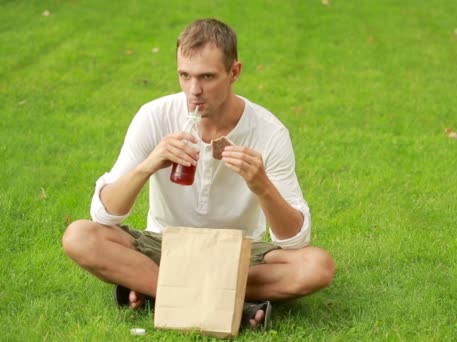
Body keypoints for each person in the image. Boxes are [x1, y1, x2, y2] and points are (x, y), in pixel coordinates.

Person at [62, 18, 335, 330]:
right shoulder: (155, 116)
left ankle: (159, 293)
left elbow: (295, 240)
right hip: (164, 244)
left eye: (207, 77)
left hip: (237, 251)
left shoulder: (268, 132)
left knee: (317, 266)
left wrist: (262, 186)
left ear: (234, 73)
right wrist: (147, 166)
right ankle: (230, 305)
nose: (194, 90)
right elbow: (103, 215)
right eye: (185, 76)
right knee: (80, 236)